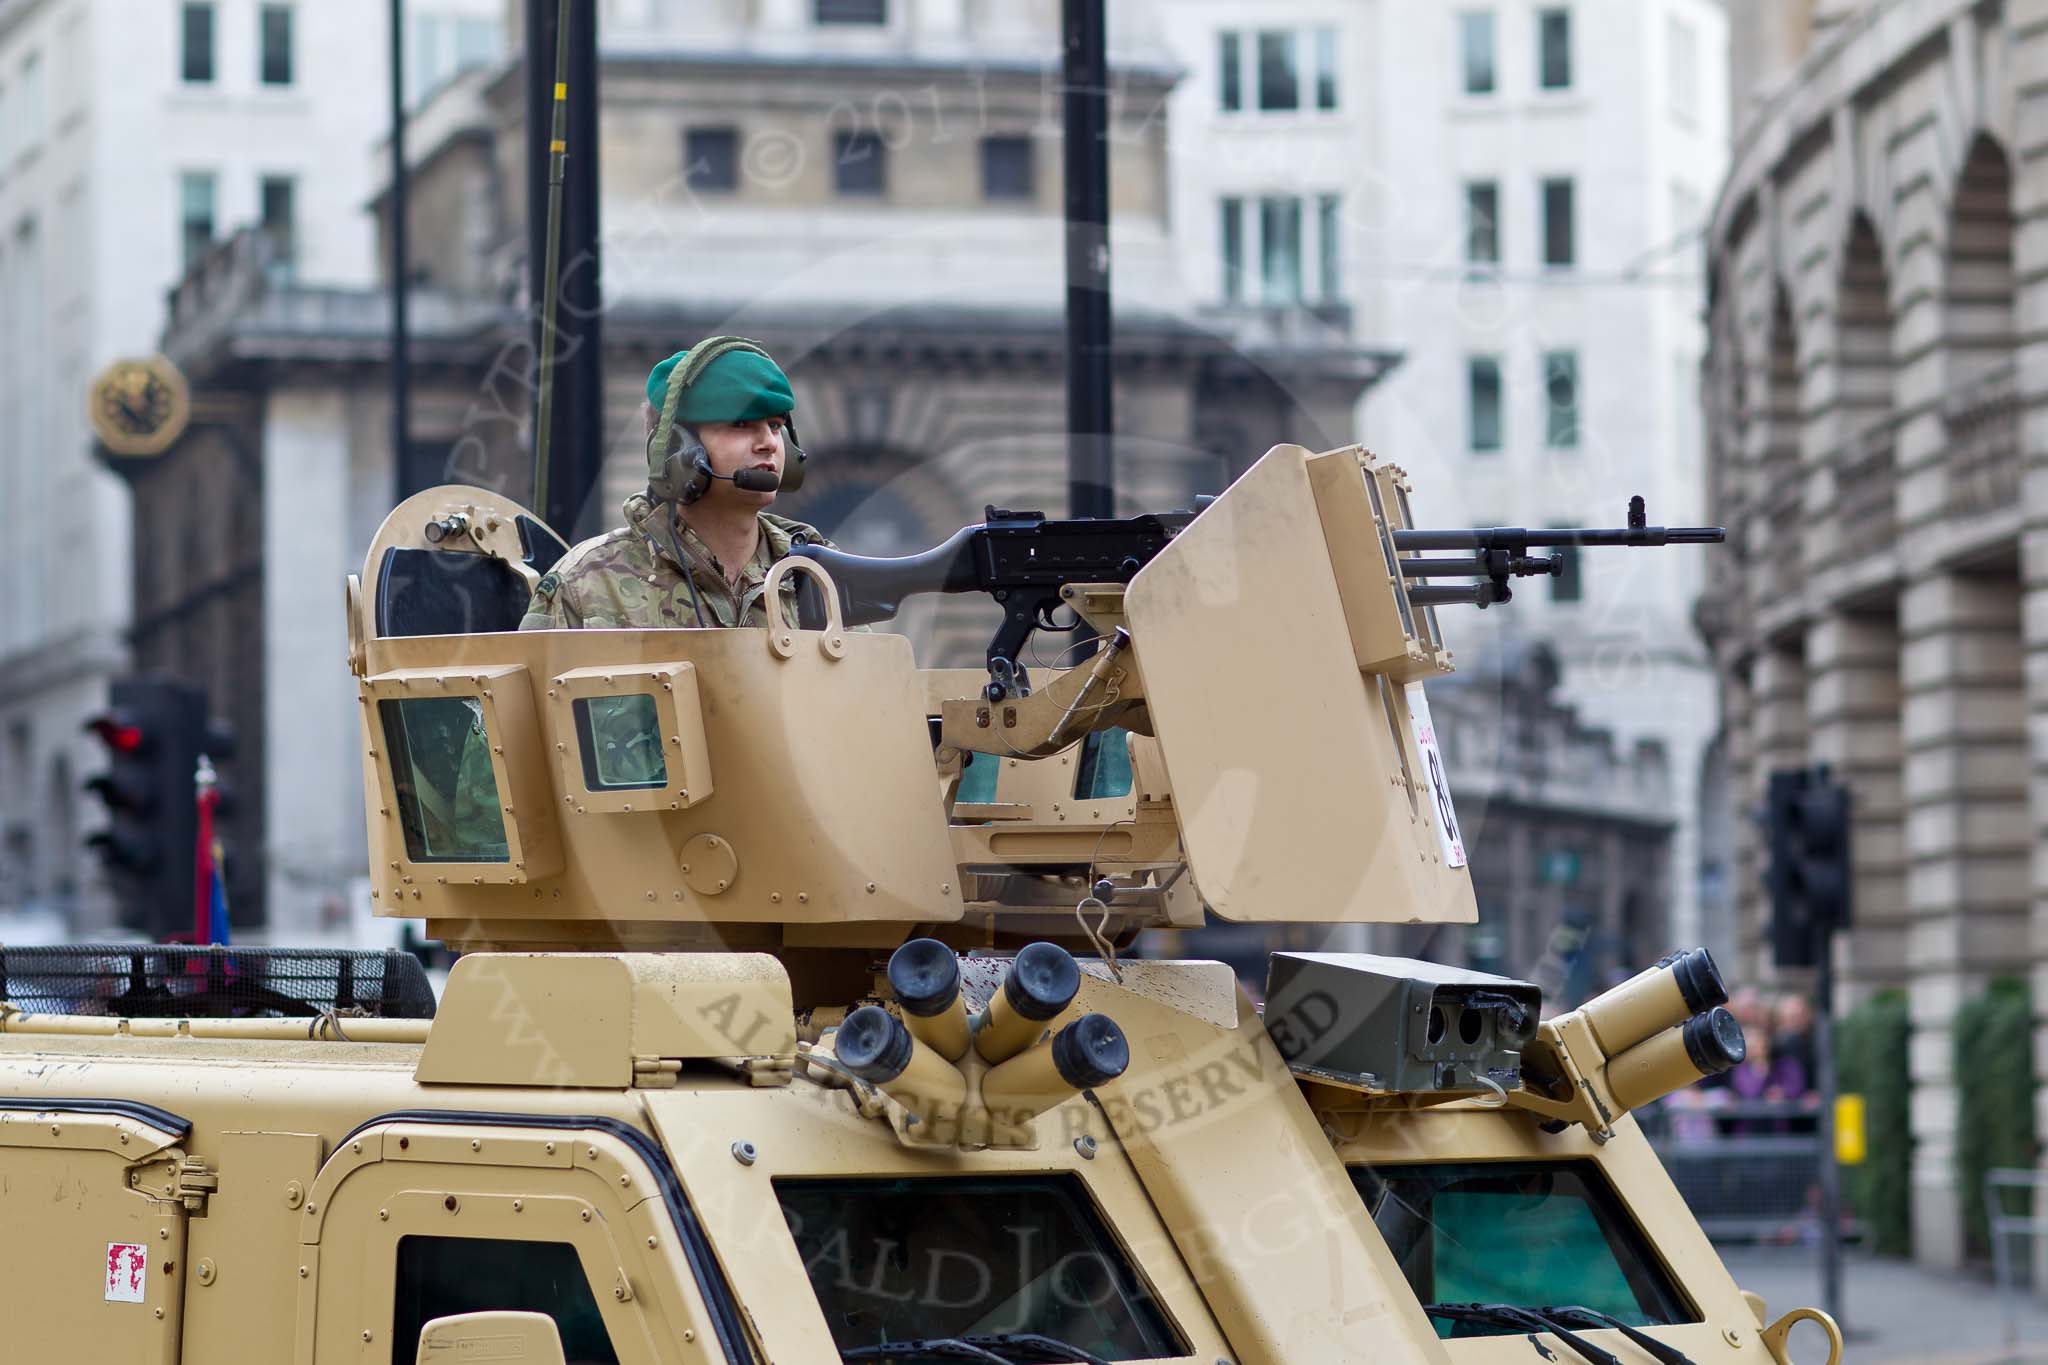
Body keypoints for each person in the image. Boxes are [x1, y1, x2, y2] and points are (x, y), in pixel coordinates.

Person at [520, 336, 831, 630]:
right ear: (676, 450)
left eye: (775, 426)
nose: (769, 443)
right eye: (740, 425)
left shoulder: (817, 578)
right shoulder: (586, 583)